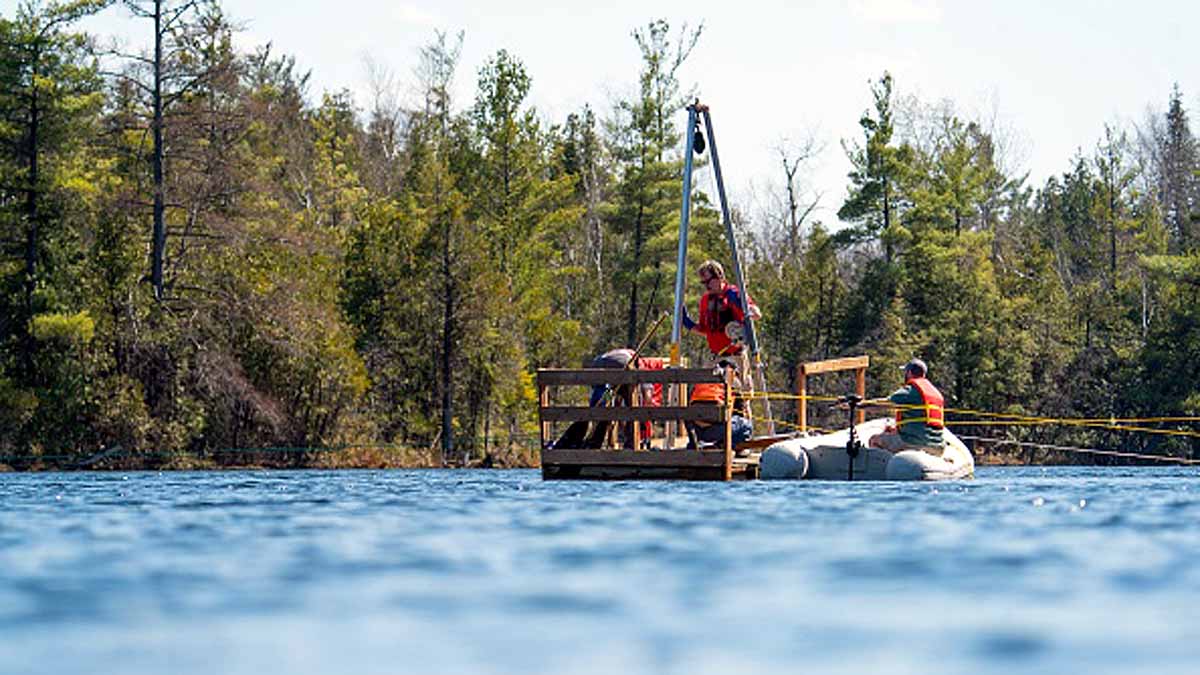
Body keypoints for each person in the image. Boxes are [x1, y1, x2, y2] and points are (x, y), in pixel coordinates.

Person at [864, 358, 946, 456]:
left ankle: (887, 470)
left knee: (875, 440)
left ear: (909, 373)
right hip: (938, 446)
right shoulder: (936, 393)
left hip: (915, 443)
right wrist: (897, 430)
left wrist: (859, 405)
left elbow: (882, 405)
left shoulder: (910, 390)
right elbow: (923, 421)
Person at [681, 260, 761, 360]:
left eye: (708, 281)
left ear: (719, 276)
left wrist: (743, 305)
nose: (706, 286)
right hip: (717, 357)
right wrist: (687, 323)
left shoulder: (733, 294)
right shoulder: (705, 300)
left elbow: (757, 314)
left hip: (737, 356)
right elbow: (705, 329)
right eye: (703, 282)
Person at [685, 365, 753, 452]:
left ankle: (694, 445)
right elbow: (741, 413)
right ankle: (723, 447)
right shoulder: (730, 385)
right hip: (717, 431)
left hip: (696, 431)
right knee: (746, 425)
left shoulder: (700, 385)